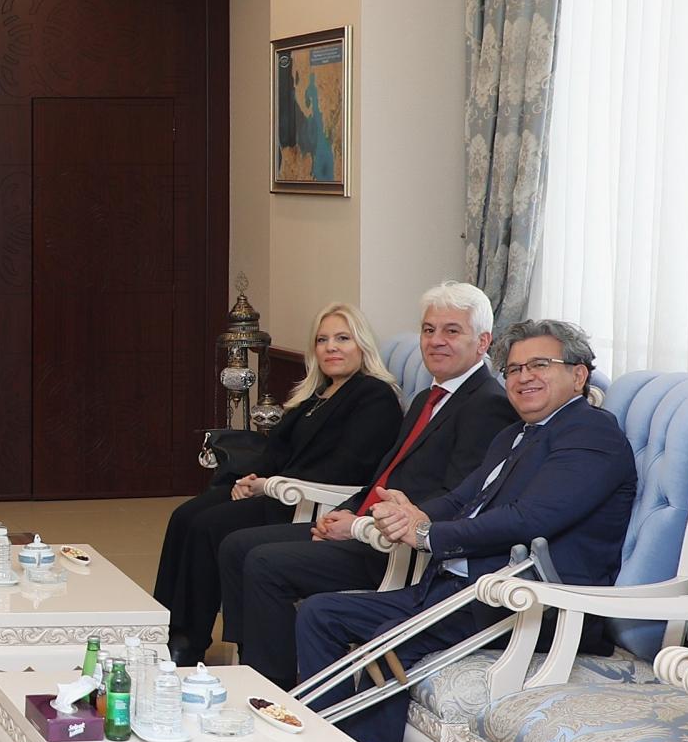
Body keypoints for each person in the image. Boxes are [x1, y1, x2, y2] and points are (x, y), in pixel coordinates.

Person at [294, 319, 637, 742]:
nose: (524, 377)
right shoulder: (515, 433)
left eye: (539, 365)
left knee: (389, 639)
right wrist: (413, 515)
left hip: (531, 604)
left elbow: (530, 519)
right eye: (514, 369)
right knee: (321, 613)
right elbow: (460, 499)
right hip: (462, 590)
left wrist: (426, 535)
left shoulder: (590, 433)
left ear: (578, 375)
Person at [216, 281, 518, 685]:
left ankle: (274, 687)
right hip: (365, 526)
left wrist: (360, 525)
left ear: (483, 342)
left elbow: (456, 500)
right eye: (428, 330)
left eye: (451, 331)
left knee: (265, 563)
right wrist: (343, 512)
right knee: (237, 545)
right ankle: (250, 666)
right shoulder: (429, 398)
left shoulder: (487, 405)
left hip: (396, 547)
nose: (435, 341)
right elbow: (383, 477)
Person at [154, 304, 402, 665]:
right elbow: (276, 451)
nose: (331, 347)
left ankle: (188, 642)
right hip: (277, 491)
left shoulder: (373, 395)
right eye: (322, 340)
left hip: (309, 502)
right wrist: (250, 479)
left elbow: (349, 466)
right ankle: (163, 628)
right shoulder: (316, 395)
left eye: (342, 338)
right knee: (185, 515)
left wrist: (272, 484)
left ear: (362, 345)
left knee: (209, 526)